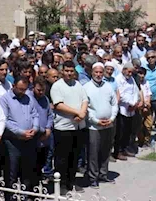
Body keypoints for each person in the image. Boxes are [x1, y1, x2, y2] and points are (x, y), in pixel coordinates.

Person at [50, 61, 88, 194]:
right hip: (63, 127)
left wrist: (82, 113)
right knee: (62, 158)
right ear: (62, 71)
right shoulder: (57, 86)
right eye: (67, 71)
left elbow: (85, 100)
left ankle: (72, 181)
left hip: (78, 127)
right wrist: (77, 112)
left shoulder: (78, 84)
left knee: (75, 156)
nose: (69, 73)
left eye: (71, 71)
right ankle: (62, 184)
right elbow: (59, 105)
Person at [0, 76, 39, 195]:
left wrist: (35, 128)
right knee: (12, 171)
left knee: (27, 171)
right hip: (13, 141)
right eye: (20, 89)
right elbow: (4, 120)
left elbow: (35, 114)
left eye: (25, 89)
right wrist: (20, 132)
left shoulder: (28, 98)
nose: (22, 92)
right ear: (14, 86)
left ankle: (25, 196)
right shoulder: (5, 99)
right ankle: (10, 196)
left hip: (29, 140)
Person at [83, 63, 117, 188]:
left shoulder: (108, 86)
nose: (98, 75)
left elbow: (114, 104)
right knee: (93, 153)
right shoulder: (86, 87)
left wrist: (112, 118)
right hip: (94, 126)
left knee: (106, 150)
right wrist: (96, 120)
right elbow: (86, 108)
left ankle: (103, 174)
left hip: (108, 124)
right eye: (96, 72)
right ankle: (92, 177)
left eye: (100, 72)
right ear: (92, 72)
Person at [114, 63, 138, 160]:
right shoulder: (118, 79)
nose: (130, 74)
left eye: (131, 72)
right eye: (128, 71)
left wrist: (135, 103)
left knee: (128, 131)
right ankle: (118, 151)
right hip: (122, 108)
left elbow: (135, 90)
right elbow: (120, 94)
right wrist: (130, 103)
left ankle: (125, 148)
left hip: (131, 109)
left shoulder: (131, 79)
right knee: (120, 132)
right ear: (123, 70)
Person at [30, 76, 54, 177]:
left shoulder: (45, 99)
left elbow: (50, 115)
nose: (41, 92)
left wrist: (48, 128)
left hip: (45, 136)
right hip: (33, 135)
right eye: (39, 90)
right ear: (33, 87)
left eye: (43, 90)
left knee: (42, 161)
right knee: (32, 164)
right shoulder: (29, 98)